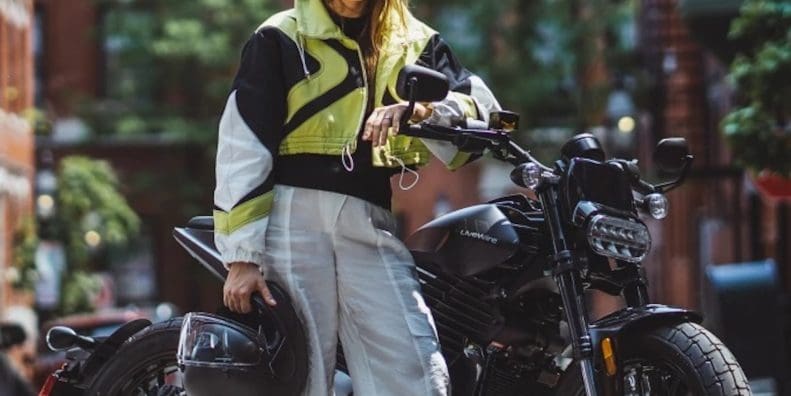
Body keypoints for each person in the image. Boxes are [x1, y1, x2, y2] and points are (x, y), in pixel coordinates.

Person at [214, 0, 500, 394]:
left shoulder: (414, 40)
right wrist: (242, 256)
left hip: (371, 216)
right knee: (302, 375)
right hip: (290, 218)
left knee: (416, 371)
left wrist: (417, 112)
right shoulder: (280, 35)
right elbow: (242, 143)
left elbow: (488, 113)